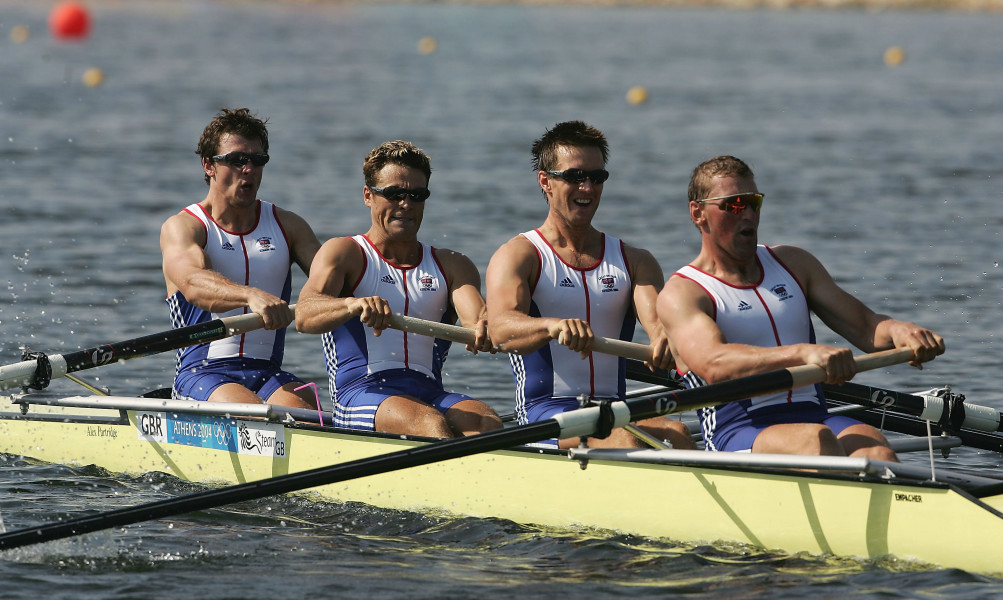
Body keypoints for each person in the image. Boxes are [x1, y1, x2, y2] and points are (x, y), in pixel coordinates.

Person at [657, 155, 945, 459]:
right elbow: (714, 365)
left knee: (873, 445)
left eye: (754, 202)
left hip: (814, 416)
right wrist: (804, 353)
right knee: (815, 442)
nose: (749, 214)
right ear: (698, 213)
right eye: (735, 204)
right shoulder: (684, 293)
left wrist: (902, 331)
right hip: (738, 429)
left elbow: (865, 326)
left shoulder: (794, 264)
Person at [485, 120, 695, 450]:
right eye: (574, 176)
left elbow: (658, 324)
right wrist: (552, 326)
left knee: (678, 434)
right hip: (546, 415)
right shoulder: (519, 256)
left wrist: (667, 341)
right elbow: (500, 331)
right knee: (624, 438)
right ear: (546, 182)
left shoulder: (635, 261)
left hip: (614, 412)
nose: (587, 187)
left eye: (597, 177)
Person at [295, 140, 503, 438]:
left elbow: (475, 318)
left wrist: (484, 326)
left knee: (486, 423)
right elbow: (304, 315)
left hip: (428, 394)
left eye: (417, 195)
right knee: (429, 424)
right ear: (369, 196)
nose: (406, 204)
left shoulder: (453, 265)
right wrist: (351, 305)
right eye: (394, 194)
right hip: (360, 394)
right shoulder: (344, 253)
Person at [161, 108, 321, 409]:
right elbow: (195, 285)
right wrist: (251, 295)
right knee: (256, 414)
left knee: (309, 412)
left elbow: (334, 283)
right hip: (203, 374)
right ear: (209, 165)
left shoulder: (289, 226)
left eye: (258, 161)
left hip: (268, 374)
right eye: (237, 160)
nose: (249, 169)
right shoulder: (185, 227)